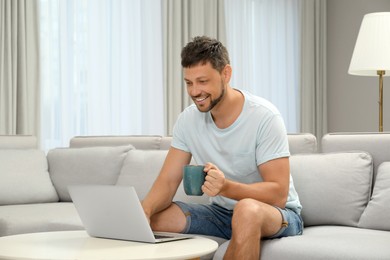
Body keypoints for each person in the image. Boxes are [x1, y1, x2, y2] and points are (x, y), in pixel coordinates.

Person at [141, 36, 303, 260]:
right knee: (154, 219)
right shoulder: (187, 120)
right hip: (220, 214)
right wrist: (144, 211)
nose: (195, 91)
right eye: (189, 82)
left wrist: (225, 187)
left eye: (203, 81)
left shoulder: (264, 117)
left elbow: (278, 195)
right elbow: (168, 180)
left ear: (225, 74)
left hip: (276, 214)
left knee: (246, 210)